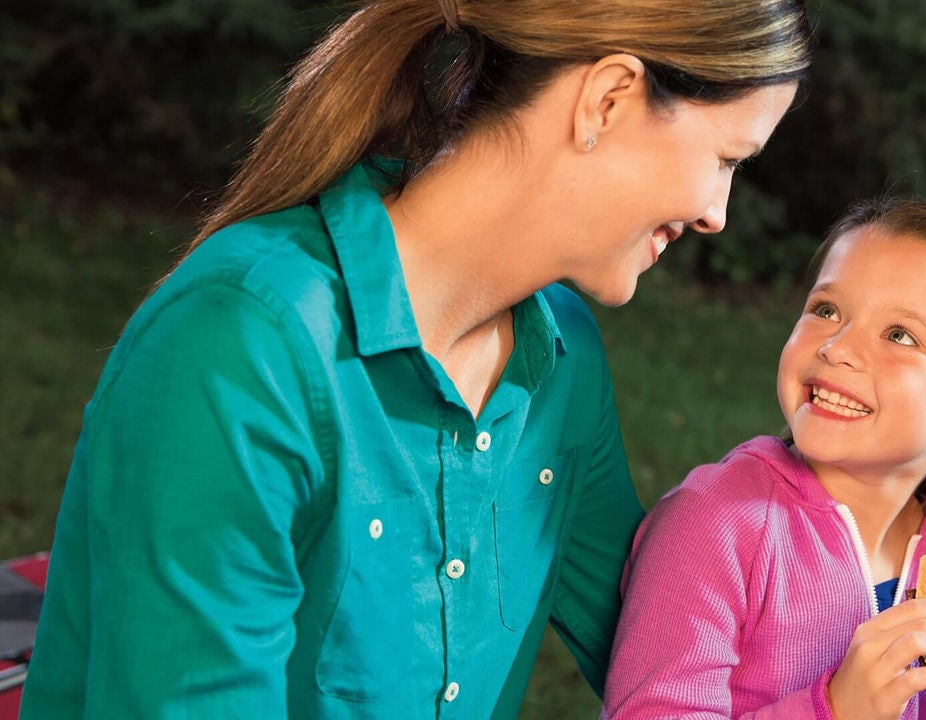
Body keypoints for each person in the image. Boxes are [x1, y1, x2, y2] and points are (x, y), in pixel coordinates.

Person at [20, 0, 813, 717]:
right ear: (605, 100)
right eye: (726, 160)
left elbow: (679, 661)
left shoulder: (559, 362)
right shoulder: (242, 346)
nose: (717, 214)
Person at [602, 197, 926, 720]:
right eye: (827, 310)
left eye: (899, 335)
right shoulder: (716, 524)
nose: (838, 347)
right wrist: (835, 711)